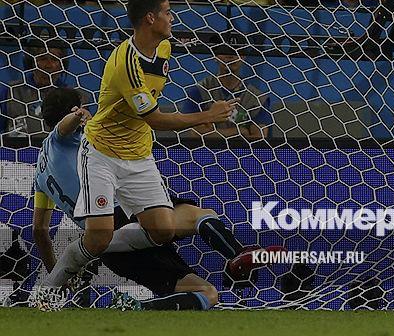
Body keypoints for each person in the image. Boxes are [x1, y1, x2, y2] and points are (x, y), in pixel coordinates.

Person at [41, 0, 235, 291]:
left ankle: (94, 245)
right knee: (99, 234)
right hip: (103, 152)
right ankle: (50, 288)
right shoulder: (125, 62)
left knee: (163, 230)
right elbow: (154, 118)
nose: (172, 18)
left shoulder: (164, 48)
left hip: (139, 154)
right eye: (167, 12)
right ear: (150, 18)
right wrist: (207, 115)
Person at [32, 86, 277, 311]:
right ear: (75, 109)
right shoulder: (62, 139)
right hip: (125, 213)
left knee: (207, 293)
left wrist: (56, 273)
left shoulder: (40, 175)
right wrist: (77, 116)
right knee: (199, 216)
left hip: (107, 246)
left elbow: (40, 231)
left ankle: (135, 307)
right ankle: (236, 254)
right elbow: (63, 128)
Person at [184, 42, 272, 140]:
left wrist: (214, 132)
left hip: (242, 150)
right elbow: (196, 133)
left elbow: (259, 138)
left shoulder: (257, 98)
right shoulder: (199, 91)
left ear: (243, 57)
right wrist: (239, 131)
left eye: (236, 50)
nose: (230, 56)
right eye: (225, 50)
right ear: (215, 56)